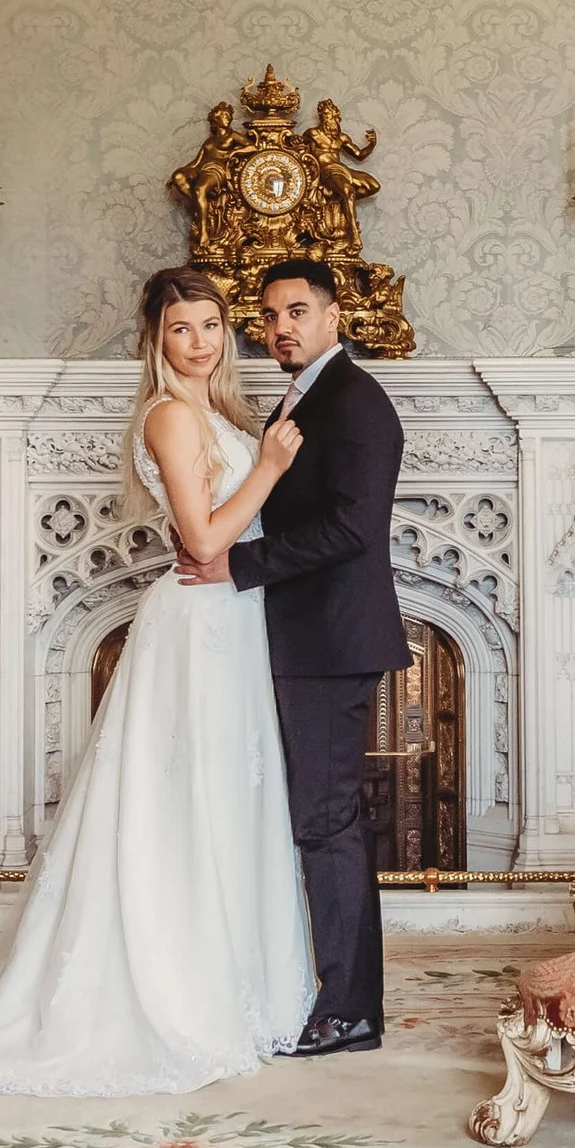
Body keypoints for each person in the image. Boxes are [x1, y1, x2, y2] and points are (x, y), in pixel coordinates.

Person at [0, 266, 315, 1095]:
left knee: (229, 795)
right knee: (178, 802)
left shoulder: (217, 412)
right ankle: (167, 986)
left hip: (233, 619)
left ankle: (237, 981)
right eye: (181, 330)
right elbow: (199, 541)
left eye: (210, 324)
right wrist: (266, 469)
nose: (200, 342)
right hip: (197, 620)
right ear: (155, 342)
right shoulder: (168, 415)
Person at [179, 256, 408, 1058]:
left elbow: (351, 527)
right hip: (303, 636)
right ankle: (332, 995)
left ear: (335, 314)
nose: (281, 327)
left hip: (332, 640)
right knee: (315, 818)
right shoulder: (305, 393)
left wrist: (236, 565)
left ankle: (350, 1009)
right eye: (270, 315)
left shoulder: (357, 403)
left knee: (326, 820)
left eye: (298, 311)